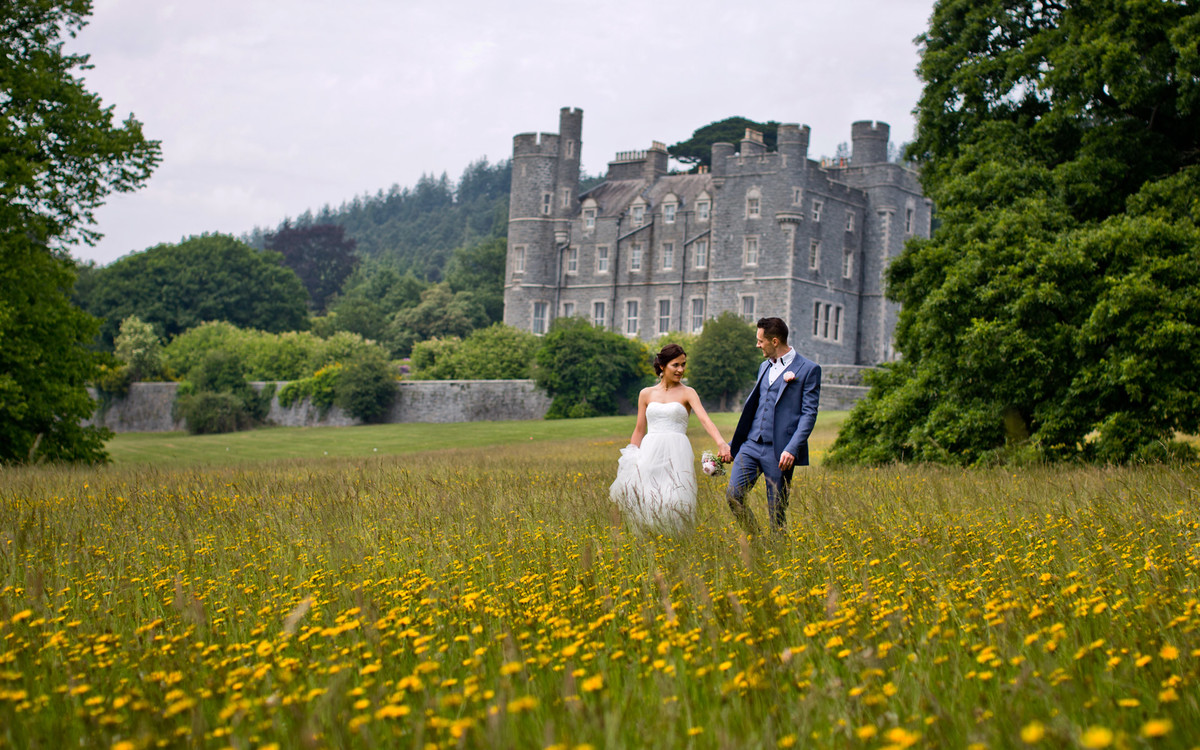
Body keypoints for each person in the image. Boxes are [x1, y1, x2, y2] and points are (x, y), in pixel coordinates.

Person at [610, 343, 732, 531]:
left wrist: (721, 443)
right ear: (662, 366)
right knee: (650, 498)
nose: (681, 370)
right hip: (650, 452)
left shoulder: (688, 392)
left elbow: (705, 420)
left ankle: (677, 542)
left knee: (675, 499)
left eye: (683, 365)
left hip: (677, 452)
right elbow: (639, 430)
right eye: (676, 365)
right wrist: (631, 458)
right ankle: (653, 543)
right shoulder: (646, 394)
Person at [726, 317, 821, 534]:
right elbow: (756, 409)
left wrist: (792, 448)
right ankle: (757, 539)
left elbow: (809, 414)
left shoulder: (808, 369)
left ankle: (777, 554)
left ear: (775, 341)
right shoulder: (763, 367)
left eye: (761, 341)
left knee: (777, 513)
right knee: (734, 496)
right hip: (751, 445)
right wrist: (735, 444)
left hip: (779, 452)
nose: (757, 345)